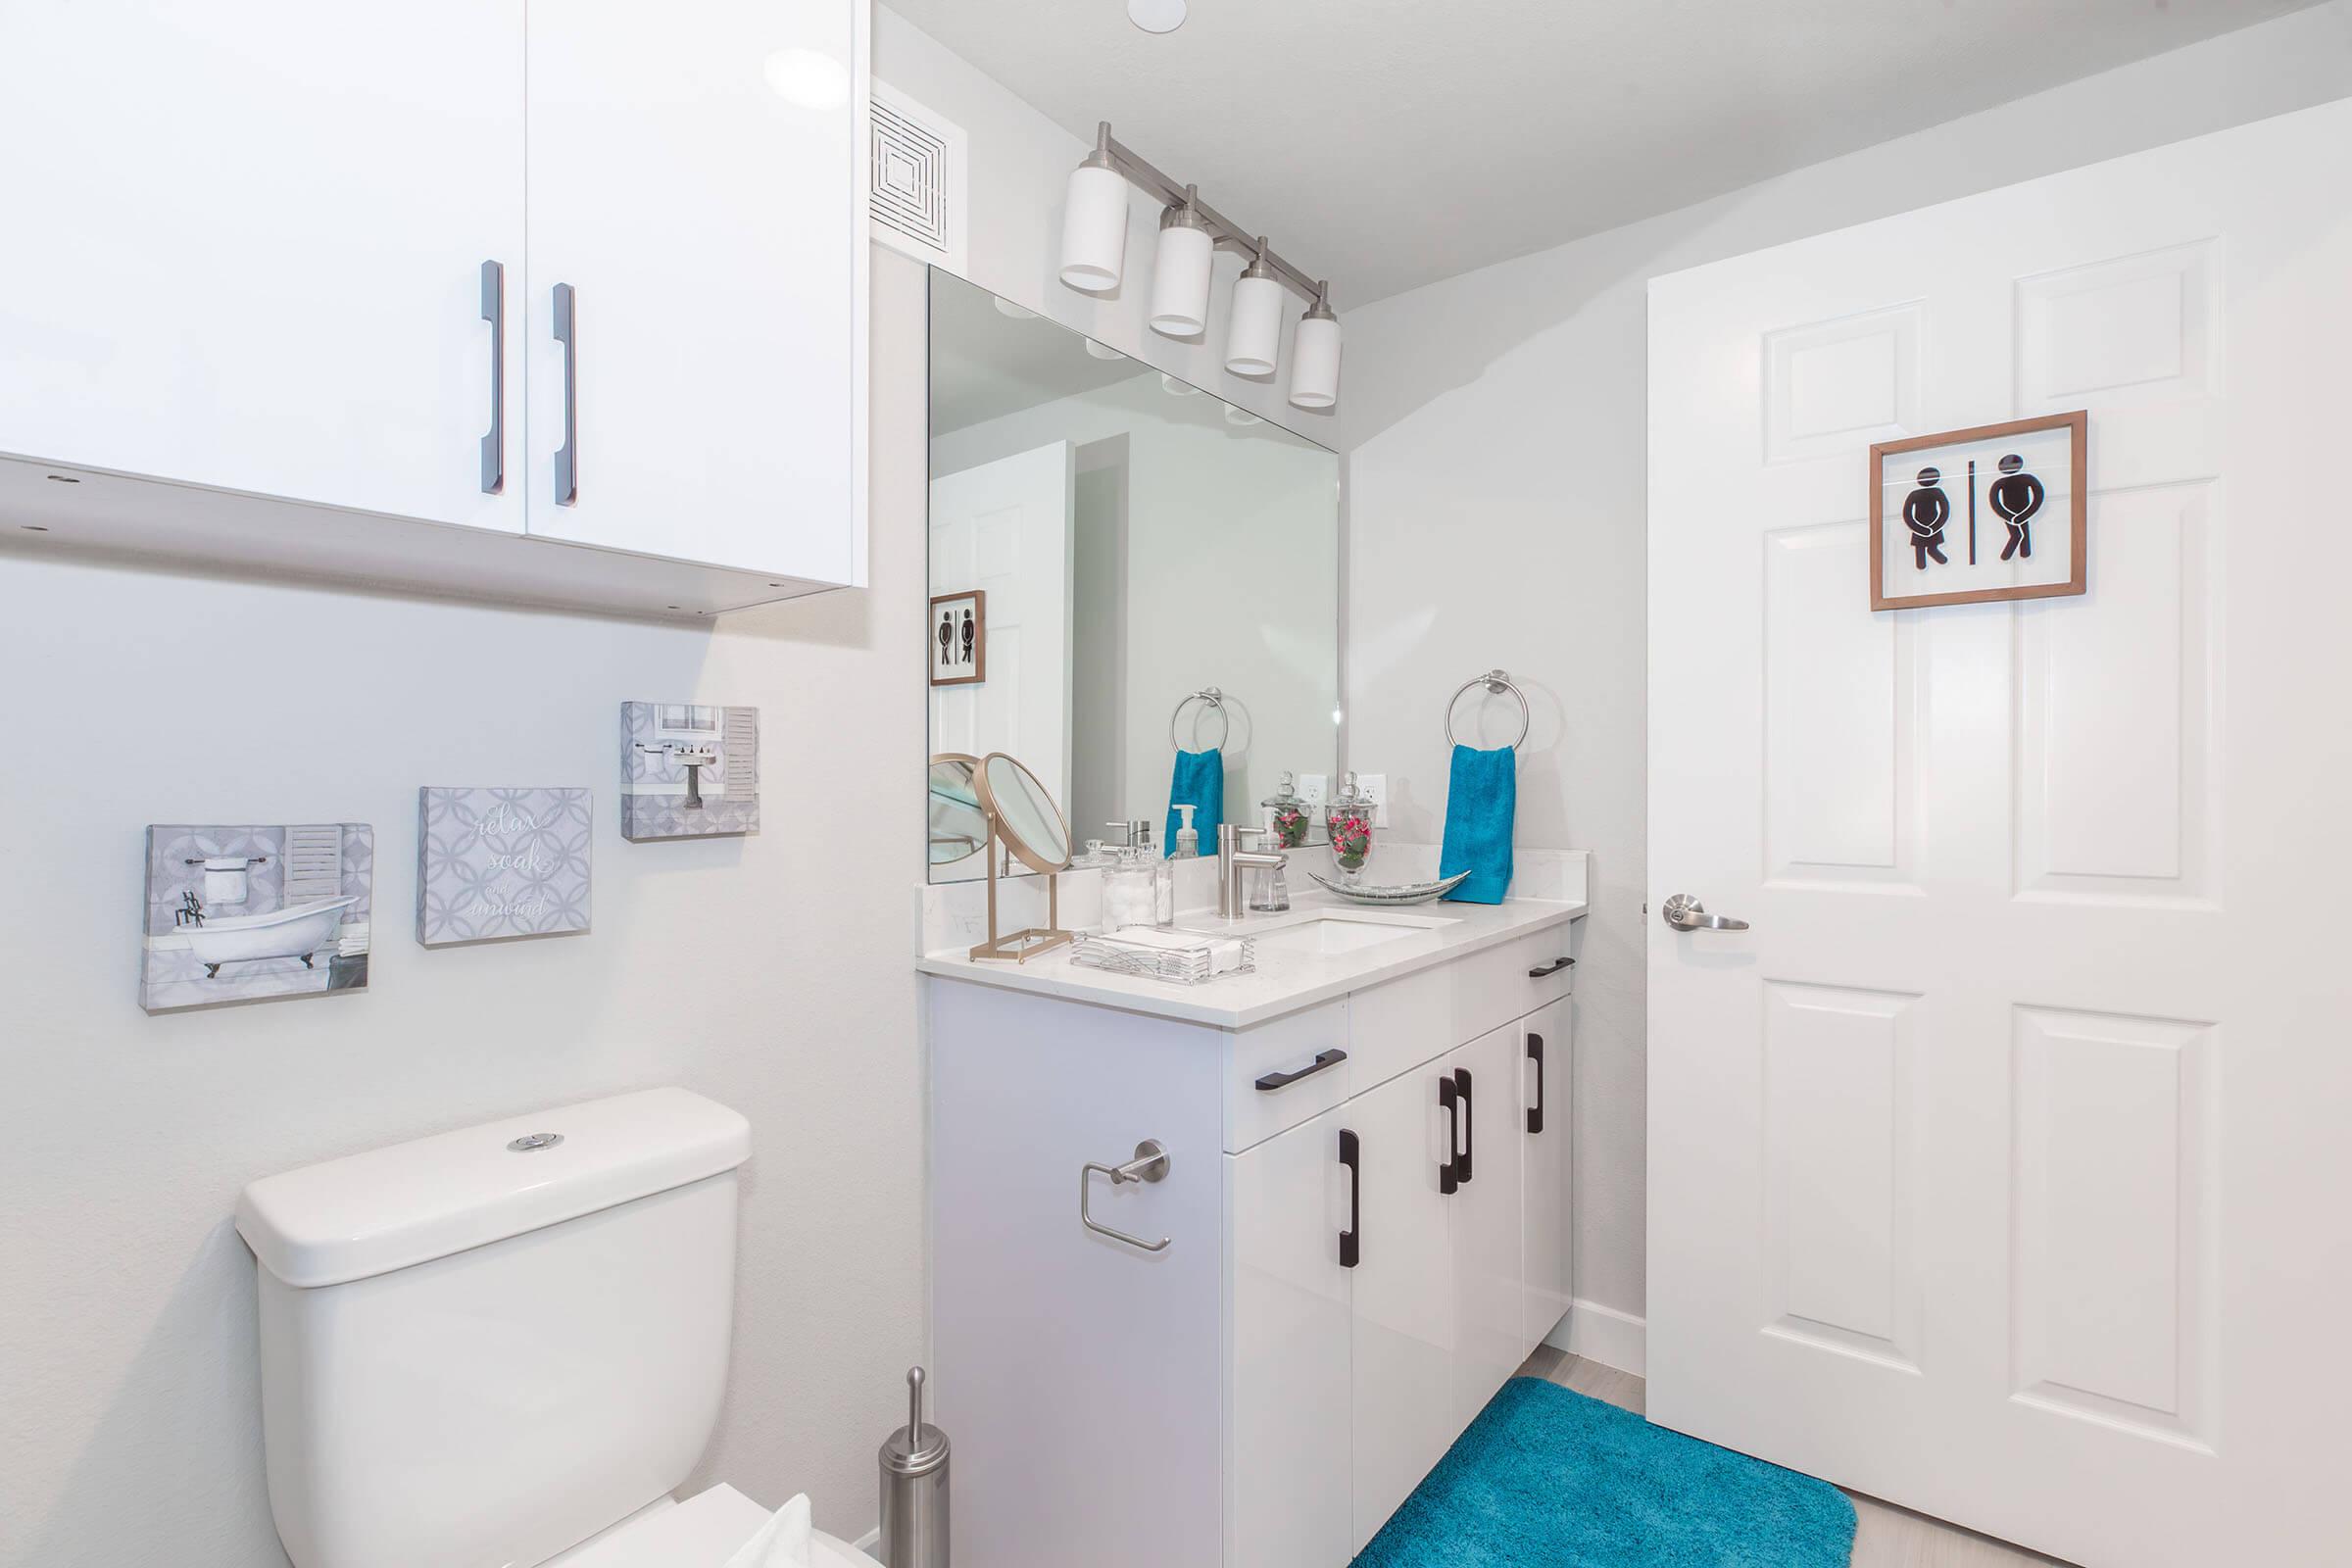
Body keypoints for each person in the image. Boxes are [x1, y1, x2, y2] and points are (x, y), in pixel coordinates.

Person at [1989, 453, 2045, 562]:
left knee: (2022, 534)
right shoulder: (2000, 483)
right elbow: (1995, 502)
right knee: (2016, 534)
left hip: (2021, 511)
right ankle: (2010, 555)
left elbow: (2038, 496)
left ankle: (2021, 554)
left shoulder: (2026, 479)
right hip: (2011, 513)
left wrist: (2024, 515)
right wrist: (2008, 517)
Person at [1902, 466, 1951, 570]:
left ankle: (1933, 553)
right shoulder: (1919, 494)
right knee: (1920, 553)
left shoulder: (1934, 492)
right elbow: (1907, 515)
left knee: (1928, 548)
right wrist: (1921, 529)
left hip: (1929, 526)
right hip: (1923, 527)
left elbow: (1945, 511)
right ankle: (1928, 558)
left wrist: (1933, 528)